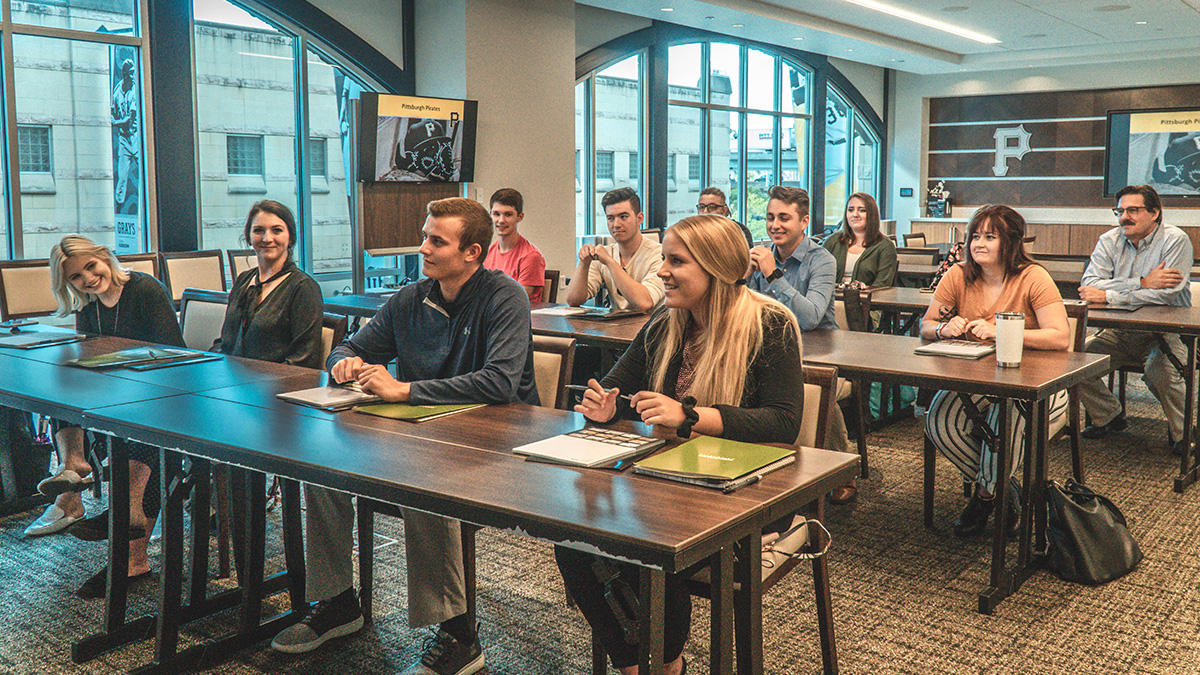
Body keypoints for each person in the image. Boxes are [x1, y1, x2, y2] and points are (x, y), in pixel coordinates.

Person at [272, 197, 538, 675]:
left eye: (437, 241)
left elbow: (500, 382)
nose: (423, 248)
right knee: (323, 468)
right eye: (424, 235)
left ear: (473, 252)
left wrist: (405, 388)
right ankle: (338, 602)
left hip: (494, 442)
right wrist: (343, 363)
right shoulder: (412, 297)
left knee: (421, 482)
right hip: (419, 432)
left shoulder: (505, 297)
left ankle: (459, 635)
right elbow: (350, 346)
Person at [556, 215, 802, 675]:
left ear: (717, 269)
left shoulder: (772, 324)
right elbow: (616, 386)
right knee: (574, 541)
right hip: (668, 478)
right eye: (664, 258)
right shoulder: (665, 322)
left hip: (746, 492)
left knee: (642, 543)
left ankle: (665, 666)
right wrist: (605, 404)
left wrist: (691, 416)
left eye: (676, 261)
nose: (663, 271)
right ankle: (643, 667)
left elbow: (784, 422)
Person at [30, 235, 183, 601]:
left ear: (105, 257)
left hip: (163, 397)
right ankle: (74, 464)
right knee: (62, 389)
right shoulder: (89, 304)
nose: (88, 280)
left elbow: (173, 355)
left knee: (142, 444)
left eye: (91, 267)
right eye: (76, 278)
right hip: (117, 397)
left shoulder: (146, 290)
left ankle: (131, 557)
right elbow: (91, 350)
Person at [920, 205, 1070, 537]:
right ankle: (1006, 490)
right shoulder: (958, 274)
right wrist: (944, 329)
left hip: (1040, 389)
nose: (979, 244)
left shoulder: (1033, 276)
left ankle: (985, 496)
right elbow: (926, 325)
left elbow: (1060, 337)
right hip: (979, 380)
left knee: (1007, 418)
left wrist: (1003, 332)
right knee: (939, 421)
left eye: (990, 236)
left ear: (1011, 242)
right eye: (975, 236)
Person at [1076, 184, 1192, 453]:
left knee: (1159, 373)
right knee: (1072, 363)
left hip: (1164, 334)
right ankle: (1110, 415)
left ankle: (1184, 434)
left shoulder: (1175, 240)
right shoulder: (1109, 240)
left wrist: (1108, 295)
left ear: (1154, 213)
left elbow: (1168, 295)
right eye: (1119, 211)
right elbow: (1089, 284)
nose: (1123, 217)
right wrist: (1142, 282)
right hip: (1120, 332)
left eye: (1132, 210)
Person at [212, 200, 324, 367]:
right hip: (232, 383)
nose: (267, 238)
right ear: (249, 238)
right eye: (258, 231)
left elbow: (304, 360)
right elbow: (226, 343)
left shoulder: (303, 288)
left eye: (277, 231)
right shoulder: (243, 281)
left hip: (275, 388)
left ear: (291, 237)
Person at [746, 185, 837, 331]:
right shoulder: (761, 257)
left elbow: (810, 319)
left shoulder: (822, 260)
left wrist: (773, 275)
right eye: (770, 218)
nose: (775, 225)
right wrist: (743, 278)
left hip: (819, 347)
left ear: (804, 222)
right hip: (774, 344)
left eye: (784, 218)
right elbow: (745, 314)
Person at [565, 187, 664, 312]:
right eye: (610, 218)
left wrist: (610, 262)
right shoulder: (605, 253)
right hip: (616, 328)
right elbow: (573, 300)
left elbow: (644, 303)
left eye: (623, 217)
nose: (616, 224)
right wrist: (584, 264)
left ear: (639, 219)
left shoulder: (660, 255)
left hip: (652, 328)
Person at [482, 187, 546, 301]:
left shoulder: (531, 256)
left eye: (508, 214)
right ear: (490, 215)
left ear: (520, 217)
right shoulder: (487, 252)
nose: (501, 220)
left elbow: (517, 298)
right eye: (496, 214)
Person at [822, 193, 897, 288]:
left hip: (865, 300)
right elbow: (816, 274)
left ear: (872, 215)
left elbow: (883, 285)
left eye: (862, 210)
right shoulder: (833, 241)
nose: (855, 215)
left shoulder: (885, 246)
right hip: (831, 299)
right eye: (850, 210)